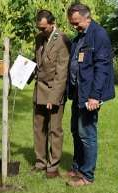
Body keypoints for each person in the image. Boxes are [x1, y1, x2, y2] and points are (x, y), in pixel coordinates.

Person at [60, 2, 115, 186]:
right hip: (78, 92)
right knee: (76, 132)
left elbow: (102, 68)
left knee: (87, 133)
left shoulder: (99, 35)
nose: (75, 27)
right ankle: (76, 169)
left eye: (77, 23)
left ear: (88, 18)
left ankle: (87, 176)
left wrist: (94, 96)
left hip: (89, 95)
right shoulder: (80, 36)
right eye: (72, 24)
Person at [29, 10, 71, 179]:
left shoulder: (62, 40)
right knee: (38, 129)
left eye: (44, 28)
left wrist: (54, 98)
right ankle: (40, 162)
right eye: (39, 27)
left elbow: (62, 73)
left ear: (53, 24)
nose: (41, 31)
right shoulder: (39, 38)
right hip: (39, 90)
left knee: (54, 130)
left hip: (54, 91)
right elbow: (37, 63)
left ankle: (52, 167)